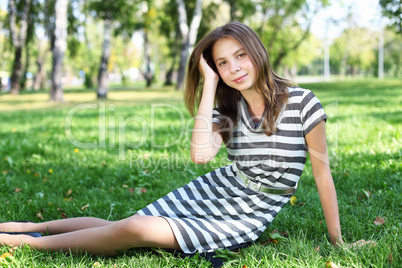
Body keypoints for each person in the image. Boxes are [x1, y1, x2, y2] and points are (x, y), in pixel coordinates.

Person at [0, 22, 371, 263]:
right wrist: (208, 84)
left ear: (257, 52)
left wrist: (337, 242)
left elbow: (323, 176)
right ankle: (16, 228)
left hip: (249, 212)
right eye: (222, 63)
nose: (234, 67)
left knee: (136, 229)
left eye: (240, 55)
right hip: (217, 189)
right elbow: (200, 155)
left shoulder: (304, 102)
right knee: (125, 223)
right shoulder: (228, 107)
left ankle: (25, 244)